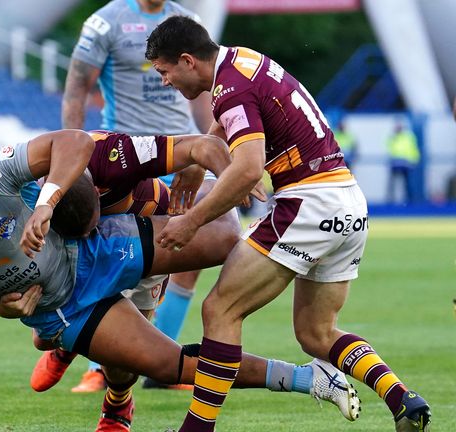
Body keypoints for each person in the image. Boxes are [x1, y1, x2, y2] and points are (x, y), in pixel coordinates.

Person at [0, 131, 361, 431]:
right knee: (166, 363)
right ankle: (312, 379)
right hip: (66, 308)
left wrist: (48, 202)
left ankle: (302, 228)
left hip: (96, 248)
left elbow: (73, 142)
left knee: (223, 237)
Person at [145, 15, 431, 432]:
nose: (166, 82)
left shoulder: (229, 89)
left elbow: (247, 170)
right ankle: (403, 400)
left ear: (187, 61)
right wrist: (200, 151)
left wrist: (191, 222)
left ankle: (195, 430)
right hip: (349, 203)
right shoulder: (241, 59)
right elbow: (233, 121)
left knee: (219, 308)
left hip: (308, 204)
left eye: (165, 72)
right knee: (317, 334)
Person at [58, 0, 217, 393]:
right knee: (120, 256)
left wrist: (209, 149)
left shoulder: (187, 21)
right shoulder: (106, 21)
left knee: (190, 252)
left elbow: (200, 96)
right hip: (125, 157)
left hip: (180, 153)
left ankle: (162, 367)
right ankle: (102, 363)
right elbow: (77, 89)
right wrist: (73, 159)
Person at [386, 120, 421, 204]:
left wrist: (414, 161)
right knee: (393, 183)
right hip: (395, 163)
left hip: (406, 164)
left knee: (407, 183)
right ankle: (390, 201)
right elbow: (390, 149)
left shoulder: (408, 137)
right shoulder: (393, 137)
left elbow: (413, 149)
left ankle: (410, 201)